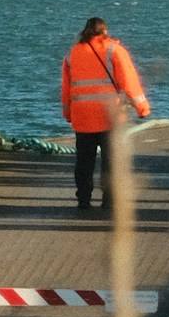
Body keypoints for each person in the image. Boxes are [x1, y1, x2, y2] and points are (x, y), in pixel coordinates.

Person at [60, 15, 150, 212]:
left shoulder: (72, 54)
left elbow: (66, 88)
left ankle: (83, 199)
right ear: (105, 32)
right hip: (110, 116)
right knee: (110, 162)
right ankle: (109, 201)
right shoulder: (114, 51)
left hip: (83, 116)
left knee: (84, 161)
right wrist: (142, 108)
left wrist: (68, 114)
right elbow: (129, 81)